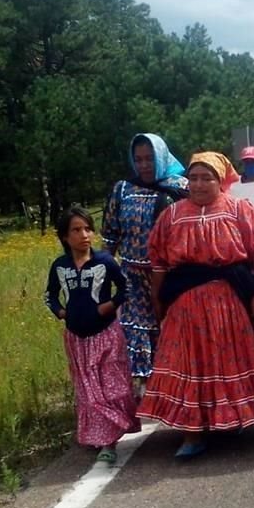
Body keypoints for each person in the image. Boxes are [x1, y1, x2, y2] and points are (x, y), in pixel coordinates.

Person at [137, 152, 254, 459]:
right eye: (193, 178)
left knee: (228, 361)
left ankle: (231, 417)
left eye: (206, 178)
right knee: (188, 364)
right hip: (186, 305)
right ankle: (192, 434)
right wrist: (158, 300)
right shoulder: (172, 215)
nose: (198, 184)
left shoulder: (239, 209)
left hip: (230, 302)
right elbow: (159, 263)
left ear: (220, 180)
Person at [46, 206, 141, 465]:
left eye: (88, 229)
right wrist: (62, 312)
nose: (84, 235)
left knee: (114, 389)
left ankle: (112, 430)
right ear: (65, 237)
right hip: (77, 339)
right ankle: (105, 442)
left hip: (107, 334)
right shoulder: (60, 266)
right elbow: (50, 295)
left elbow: (125, 287)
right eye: (76, 230)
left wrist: (108, 306)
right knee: (89, 392)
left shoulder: (105, 262)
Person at [102, 133, 188, 395]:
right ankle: (143, 396)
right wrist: (102, 275)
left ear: (161, 157)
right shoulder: (123, 190)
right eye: (138, 159)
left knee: (173, 334)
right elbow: (110, 235)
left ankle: (175, 392)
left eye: (150, 158)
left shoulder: (182, 188)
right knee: (136, 334)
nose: (144, 165)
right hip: (132, 279)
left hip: (172, 279)